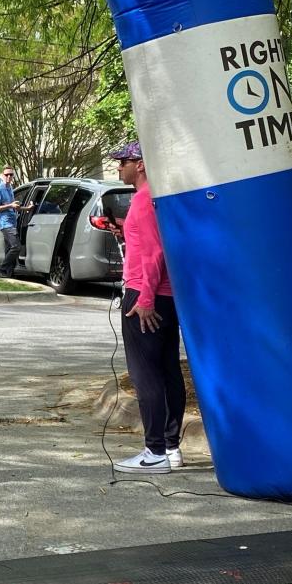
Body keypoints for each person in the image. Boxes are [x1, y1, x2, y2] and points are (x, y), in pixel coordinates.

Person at [108, 140, 186, 475]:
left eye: (123, 161)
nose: (118, 167)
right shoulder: (159, 199)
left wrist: (145, 299)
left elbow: (155, 253)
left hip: (145, 296)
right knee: (167, 369)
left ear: (140, 164)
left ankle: (154, 451)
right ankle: (171, 447)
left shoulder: (143, 201)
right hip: (167, 296)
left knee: (146, 375)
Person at [0, 164, 27, 277]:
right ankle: (0, 269)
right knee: (16, 247)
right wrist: (10, 205)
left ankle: (7, 273)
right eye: (7, 175)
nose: (9, 177)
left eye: (11, 175)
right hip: (6, 224)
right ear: (2, 175)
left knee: (9, 248)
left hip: (12, 222)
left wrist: (27, 209)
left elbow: (14, 206)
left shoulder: (9, 188)